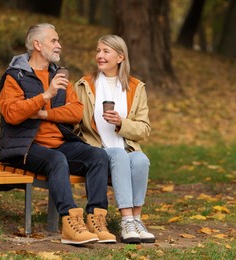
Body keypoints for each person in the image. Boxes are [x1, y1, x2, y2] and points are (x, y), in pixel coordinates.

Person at [0, 23, 116, 245]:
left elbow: (76, 111)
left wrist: (43, 113)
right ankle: (70, 222)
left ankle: (96, 220)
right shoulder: (15, 76)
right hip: (25, 147)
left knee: (98, 157)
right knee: (57, 160)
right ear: (37, 45)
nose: (59, 45)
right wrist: (46, 94)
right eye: (54, 40)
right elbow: (12, 113)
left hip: (58, 143)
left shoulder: (59, 75)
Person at [73, 35, 155, 244]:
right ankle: (126, 220)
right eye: (98, 51)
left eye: (105, 52)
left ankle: (136, 219)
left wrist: (121, 123)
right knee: (118, 154)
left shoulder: (136, 88)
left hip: (125, 150)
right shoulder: (85, 85)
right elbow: (73, 120)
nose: (99, 56)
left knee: (140, 159)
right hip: (96, 150)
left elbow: (144, 129)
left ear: (120, 57)